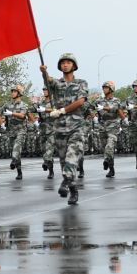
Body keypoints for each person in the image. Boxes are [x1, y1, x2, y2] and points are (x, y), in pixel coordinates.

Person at [40, 53, 89, 205]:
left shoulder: (81, 83)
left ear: (74, 66)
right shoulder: (57, 84)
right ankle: (73, 190)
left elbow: (81, 101)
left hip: (76, 127)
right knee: (63, 161)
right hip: (60, 128)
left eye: (68, 62)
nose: (65, 65)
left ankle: (65, 182)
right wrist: (44, 72)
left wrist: (62, 111)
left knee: (72, 157)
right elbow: (48, 81)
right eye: (63, 63)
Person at [95, 81, 125, 178]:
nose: (104, 89)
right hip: (102, 125)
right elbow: (91, 107)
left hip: (113, 125)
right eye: (103, 88)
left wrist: (102, 107)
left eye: (106, 88)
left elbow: (113, 108)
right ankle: (111, 168)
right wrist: (94, 115)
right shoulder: (99, 100)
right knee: (106, 148)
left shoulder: (116, 100)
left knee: (110, 145)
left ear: (111, 89)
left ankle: (106, 160)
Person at [3, 85, 29, 180]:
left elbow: (22, 116)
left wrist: (12, 113)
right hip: (11, 130)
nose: (12, 93)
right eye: (12, 91)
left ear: (19, 93)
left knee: (16, 147)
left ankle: (13, 161)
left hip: (21, 130)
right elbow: (0, 112)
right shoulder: (7, 105)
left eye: (14, 91)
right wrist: (3, 123)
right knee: (14, 151)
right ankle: (19, 172)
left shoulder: (24, 105)